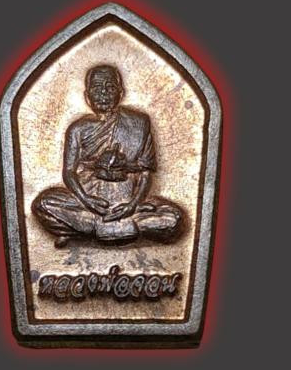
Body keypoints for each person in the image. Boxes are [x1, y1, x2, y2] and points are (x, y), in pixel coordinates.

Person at [32, 64, 184, 247]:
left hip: (128, 199)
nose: (103, 93)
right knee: (43, 204)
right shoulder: (78, 129)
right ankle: (121, 227)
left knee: (175, 217)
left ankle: (85, 229)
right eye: (97, 88)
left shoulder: (139, 123)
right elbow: (69, 172)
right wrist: (86, 200)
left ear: (120, 93)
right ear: (87, 96)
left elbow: (145, 172)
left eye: (110, 87)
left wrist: (133, 204)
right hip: (91, 201)